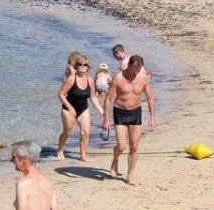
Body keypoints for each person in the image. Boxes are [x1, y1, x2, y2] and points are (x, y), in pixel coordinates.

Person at [102, 55, 156, 184]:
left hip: (135, 113)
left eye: (137, 70)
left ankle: (129, 175)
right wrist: (106, 119)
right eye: (132, 69)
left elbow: (150, 98)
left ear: (140, 68)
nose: (134, 73)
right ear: (128, 66)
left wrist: (152, 118)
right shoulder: (118, 78)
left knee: (134, 146)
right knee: (121, 146)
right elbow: (108, 99)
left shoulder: (143, 78)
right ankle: (115, 159)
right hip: (120, 112)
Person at [56, 53, 97, 161]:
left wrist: (102, 111)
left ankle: (83, 156)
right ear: (76, 65)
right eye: (80, 64)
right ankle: (60, 150)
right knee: (67, 132)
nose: (82, 66)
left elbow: (93, 97)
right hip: (68, 108)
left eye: (85, 65)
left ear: (88, 67)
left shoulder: (90, 80)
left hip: (83, 109)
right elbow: (60, 94)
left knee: (85, 132)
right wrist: (69, 107)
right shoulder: (71, 77)